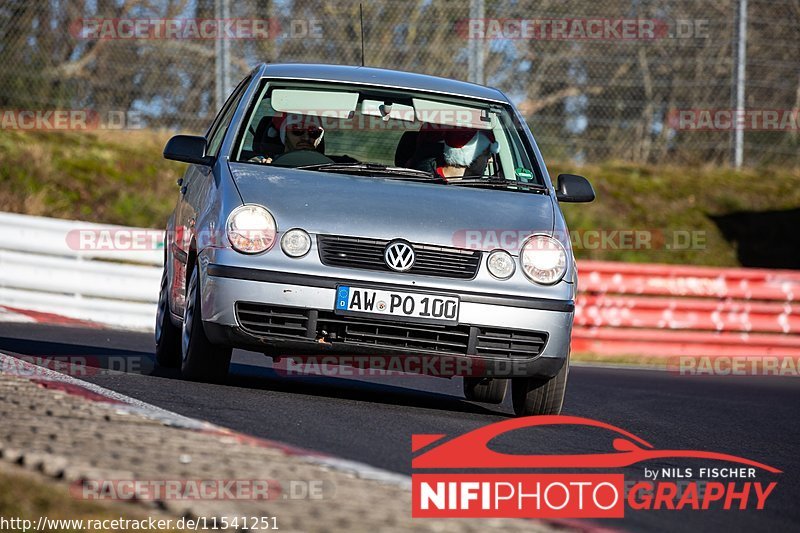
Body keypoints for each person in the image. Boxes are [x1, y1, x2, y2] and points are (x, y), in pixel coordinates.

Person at [249, 113, 324, 164]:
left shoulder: (330, 170)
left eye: (314, 132)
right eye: (297, 131)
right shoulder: (261, 163)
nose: (306, 138)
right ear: (284, 135)